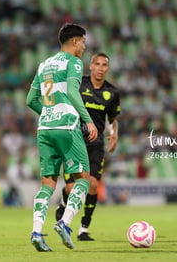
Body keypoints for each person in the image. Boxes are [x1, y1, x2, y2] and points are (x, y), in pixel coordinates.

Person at [26, 23, 98, 252]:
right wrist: (87, 119)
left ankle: (37, 231)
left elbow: (30, 100)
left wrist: (49, 113)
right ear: (75, 41)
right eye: (83, 41)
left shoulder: (44, 64)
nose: (85, 46)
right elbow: (71, 92)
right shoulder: (74, 62)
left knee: (48, 181)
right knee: (83, 178)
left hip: (45, 128)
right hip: (67, 126)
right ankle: (65, 224)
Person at [55, 52, 121, 241]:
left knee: (92, 185)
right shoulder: (78, 84)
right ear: (90, 66)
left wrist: (114, 134)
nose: (100, 68)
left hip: (96, 143)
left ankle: (83, 228)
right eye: (97, 64)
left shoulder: (112, 92)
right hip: (74, 140)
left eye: (104, 65)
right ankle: (63, 201)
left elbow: (113, 120)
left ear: (107, 68)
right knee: (71, 188)